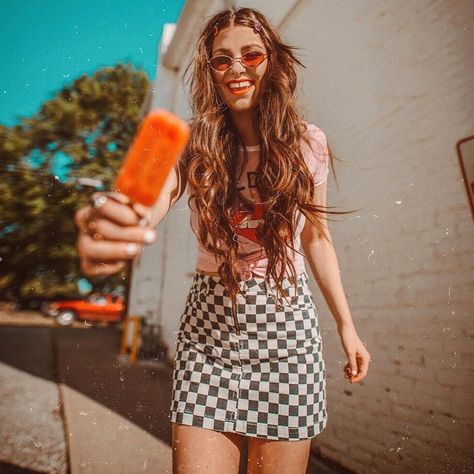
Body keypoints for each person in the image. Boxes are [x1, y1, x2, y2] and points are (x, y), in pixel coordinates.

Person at [74, 7, 371, 474]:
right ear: (209, 71)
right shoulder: (194, 145)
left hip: (288, 331)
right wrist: (111, 218)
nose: (236, 68)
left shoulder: (309, 143)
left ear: (272, 61)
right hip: (209, 334)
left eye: (250, 54)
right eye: (221, 59)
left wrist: (347, 327)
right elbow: (146, 202)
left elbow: (317, 237)